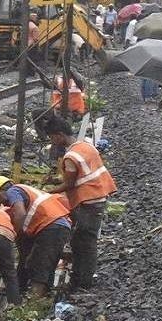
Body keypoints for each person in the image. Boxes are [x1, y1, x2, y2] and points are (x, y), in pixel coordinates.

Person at [44, 119, 116, 290]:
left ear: (60, 135)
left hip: (89, 201)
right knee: (84, 241)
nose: (52, 142)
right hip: (99, 196)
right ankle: (82, 278)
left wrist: (47, 193)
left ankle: (82, 281)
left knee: (84, 242)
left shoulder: (70, 157)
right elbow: (80, 175)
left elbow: (69, 185)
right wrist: (55, 179)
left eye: (52, 137)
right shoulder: (85, 146)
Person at [0, 175, 72, 298]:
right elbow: (23, 254)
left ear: (1, 191)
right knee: (38, 261)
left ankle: (34, 301)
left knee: (40, 263)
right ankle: (39, 296)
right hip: (54, 226)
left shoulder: (13, 191)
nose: (2, 203)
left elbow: (20, 214)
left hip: (51, 225)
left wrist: (12, 235)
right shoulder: (27, 192)